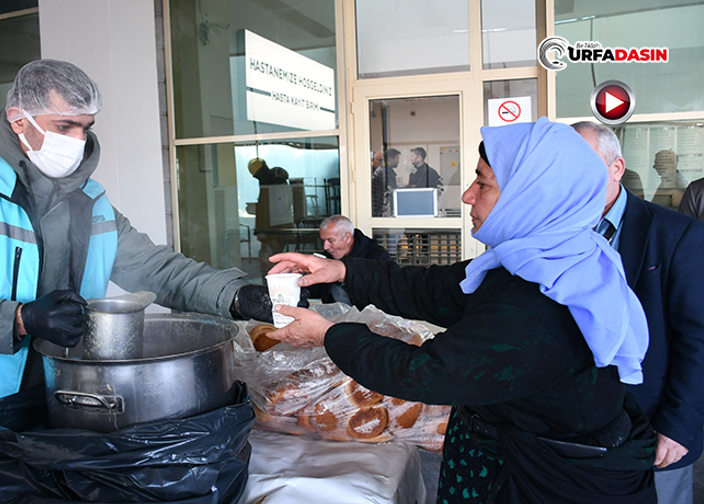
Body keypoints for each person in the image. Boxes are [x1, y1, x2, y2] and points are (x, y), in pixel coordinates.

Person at [0, 59, 273, 504]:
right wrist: (21, 319)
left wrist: (237, 296)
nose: (78, 140)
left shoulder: (91, 201)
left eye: (85, 127)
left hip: (51, 419)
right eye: (64, 126)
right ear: (18, 120)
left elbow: (157, 269)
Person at [266, 118, 657, 503]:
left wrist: (325, 334)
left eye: (483, 183)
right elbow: (432, 288)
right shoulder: (546, 258)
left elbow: (424, 373)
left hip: (548, 480)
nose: (467, 195)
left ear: (531, 195)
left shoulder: (538, 303)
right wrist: (343, 268)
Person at [574, 121, 704, 504]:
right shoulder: (552, 232)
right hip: (569, 434)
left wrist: (679, 425)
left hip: (650, 430)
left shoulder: (676, 235)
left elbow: (697, 338)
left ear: (616, 168)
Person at [310, 215, 391, 304]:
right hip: (334, 315)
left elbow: (386, 296)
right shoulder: (328, 256)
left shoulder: (377, 257)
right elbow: (315, 292)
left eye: (331, 240)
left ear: (347, 238)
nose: (325, 247)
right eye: (323, 241)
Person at [248, 157, 291, 273]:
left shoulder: (273, 184)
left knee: (270, 259)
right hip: (273, 229)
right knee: (271, 258)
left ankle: (270, 285)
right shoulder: (270, 183)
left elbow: (278, 208)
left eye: (256, 174)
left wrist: (265, 229)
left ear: (262, 170)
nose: (255, 177)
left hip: (274, 230)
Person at [371, 148, 399, 217]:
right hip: (380, 210)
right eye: (397, 158)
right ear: (390, 159)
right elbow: (390, 191)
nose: (398, 161)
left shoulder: (383, 171)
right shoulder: (385, 173)